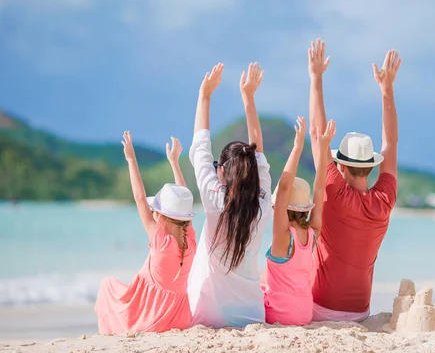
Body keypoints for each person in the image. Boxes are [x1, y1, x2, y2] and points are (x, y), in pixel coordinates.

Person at [308, 39, 401, 322]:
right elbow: (391, 144)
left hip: (320, 307)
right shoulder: (384, 200)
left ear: (342, 167)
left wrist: (316, 78)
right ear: (371, 168)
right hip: (361, 312)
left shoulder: (335, 193)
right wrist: (387, 90)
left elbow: (316, 133)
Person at [188, 62, 272, 328]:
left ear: (221, 171)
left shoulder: (215, 201)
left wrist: (204, 95)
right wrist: (249, 98)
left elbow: (200, 147)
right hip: (253, 316)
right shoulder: (262, 204)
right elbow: (258, 153)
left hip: (208, 317)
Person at [95, 134, 197, 334]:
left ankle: (107, 331)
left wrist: (131, 159)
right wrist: (174, 163)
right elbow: (183, 197)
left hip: (150, 316)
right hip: (179, 318)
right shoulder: (190, 239)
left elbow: (140, 198)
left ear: (161, 215)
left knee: (107, 285)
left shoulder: (161, 240)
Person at [263, 116, 336, 325]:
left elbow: (285, 186)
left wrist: (297, 146)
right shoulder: (312, 234)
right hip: (304, 314)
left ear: (283, 206)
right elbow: (320, 188)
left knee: (256, 286)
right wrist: (323, 149)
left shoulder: (283, 236)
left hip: (280, 316)